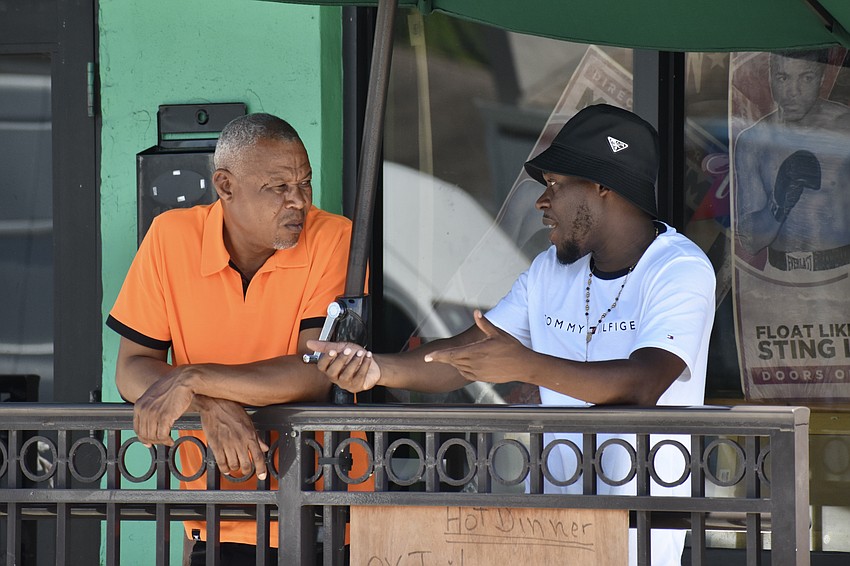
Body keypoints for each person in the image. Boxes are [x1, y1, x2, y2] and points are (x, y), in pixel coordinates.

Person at [308, 104, 716, 566]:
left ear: (604, 186)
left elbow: (643, 383)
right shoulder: (549, 271)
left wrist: (523, 363)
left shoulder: (678, 268)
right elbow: (469, 350)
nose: (542, 202)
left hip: (639, 531)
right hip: (552, 521)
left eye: (556, 185)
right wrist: (376, 369)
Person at [107, 113, 353, 564]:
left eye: (304, 184)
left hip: (321, 511)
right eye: (278, 188)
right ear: (225, 186)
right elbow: (131, 368)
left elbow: (314, 371)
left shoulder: (334, 237)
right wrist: (208, 402)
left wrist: (191, 379)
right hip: (213, 510)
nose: (297, 200)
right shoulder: (169, 237)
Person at [735, 49, 850, 272]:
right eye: (783, 77)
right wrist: (779, 201)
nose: (792, 92)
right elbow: (750, 241)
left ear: (822, 79)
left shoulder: (846, 130)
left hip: (841, 274)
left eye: (806, 78)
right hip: (778, 276)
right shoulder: (754, 141)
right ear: (770, 77)